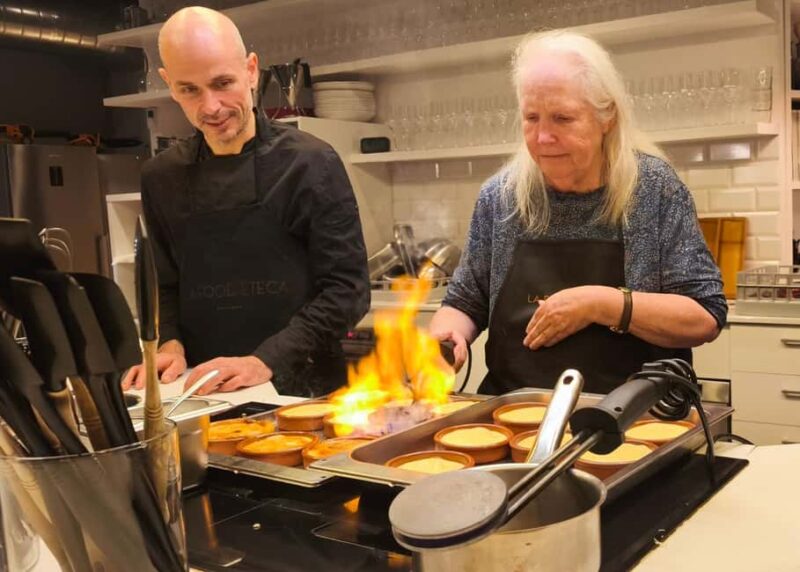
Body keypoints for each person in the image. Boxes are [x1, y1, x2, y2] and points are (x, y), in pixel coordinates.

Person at [429, 30, 726, 395]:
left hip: (630, 420)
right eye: (531, 117)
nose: (542, 137)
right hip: (514, 414)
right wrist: (448, 335)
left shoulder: (653, 188)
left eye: (562, 119)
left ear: (607, 118)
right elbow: (464, 301)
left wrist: (601, 304)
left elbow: (705, 317)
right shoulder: (501, 196)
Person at [121, 7, 370, 397]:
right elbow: (164, 284)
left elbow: (348, 291)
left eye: (223, 83)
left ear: (251, 70)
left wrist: (263, 361)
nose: (211, 107)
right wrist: (169, 343)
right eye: (189, 90)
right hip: (201, 393)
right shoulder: (160, 177)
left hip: (303, 393)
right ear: (169, 85)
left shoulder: (311, 164)